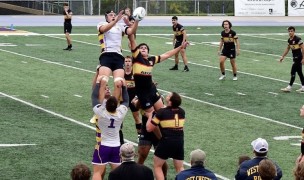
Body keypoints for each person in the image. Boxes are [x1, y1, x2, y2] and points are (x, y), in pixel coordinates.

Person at [128, 30, 189, 126]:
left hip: (152, 90)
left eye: (145, 48)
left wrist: (180, 47)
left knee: (162, 112)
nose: (143, 49)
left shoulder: (151, 60)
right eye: (141, 48)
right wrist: (132, 27)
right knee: (152, 117)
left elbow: (167, 54)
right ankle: (154, 134)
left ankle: (165, 132)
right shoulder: (136, 58)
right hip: (142, 93)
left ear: (148, 52)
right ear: (138, 51)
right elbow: (132, 41)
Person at [91, 75, 129, 180]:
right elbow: (126, 101)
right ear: (117, 105)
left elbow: (94, 97)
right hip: (116, 146)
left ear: (106, 106)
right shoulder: (121, 113)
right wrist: (124, 87)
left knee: (98, 172)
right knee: (117, 174)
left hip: (103, 145)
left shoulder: (101, 112)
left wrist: (98, 82)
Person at [97, 9, 139, 100]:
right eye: (110, 14)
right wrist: (116, 20)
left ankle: (114, 106)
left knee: (119, 83)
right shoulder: (102, 24)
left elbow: (131, 31)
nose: (113, 16)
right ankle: (100, 106)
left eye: (114, 14)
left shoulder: (121, 26)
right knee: (103, 81)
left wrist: (136, 21)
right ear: (106, 17)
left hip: (118, 56)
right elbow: (104, 29)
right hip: (106, 55)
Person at [146, 92, 186, 180]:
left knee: (158, 166)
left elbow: (149, 128)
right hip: (179, 141)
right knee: (180, 168)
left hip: (167, 141)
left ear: (170, 101)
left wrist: (149, 116)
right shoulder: (182, 111)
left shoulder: (162, 112)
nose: (166, 95)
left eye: (168, 95)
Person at [279, 26, 304, 92]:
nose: (290, 32)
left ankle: (289, 87)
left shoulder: (298, 39)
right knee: (299, 72)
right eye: (289, 31)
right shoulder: (289, 40)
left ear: (294, 31)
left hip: (298, 57)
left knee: (293, 71)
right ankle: (303, 86)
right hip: (295, 57)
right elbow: (288, 48)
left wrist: (303, 58)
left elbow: (303, 48)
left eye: (291, 31)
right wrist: (282, 56)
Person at [124, 56, 142, 135]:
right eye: (126, 61)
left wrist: (136, 97)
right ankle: (117, 133)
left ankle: (139, 135)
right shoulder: (121, 73)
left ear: (132, 63)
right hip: (124, 98)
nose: (127, 63)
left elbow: (140, 86)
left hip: (133, 98)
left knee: (136, 117)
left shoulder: (135, 73)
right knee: (119, 117)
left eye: (129, 61)